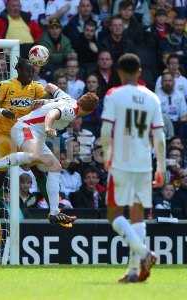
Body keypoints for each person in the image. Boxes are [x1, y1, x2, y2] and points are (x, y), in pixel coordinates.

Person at [0, 87, 99, 227]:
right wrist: (49, 127)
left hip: (37, 136)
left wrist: (44, 100)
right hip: (26, 127)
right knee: (33, 155)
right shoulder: (72, 111)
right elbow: (53, 114)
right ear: (90, 112)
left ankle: (54, 213)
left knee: (55, 167)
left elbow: (50, 86)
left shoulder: (68, 98)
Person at [100, 53, 166, 283]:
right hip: (144, 163)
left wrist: (107, 155)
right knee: (137, 217)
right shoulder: (152, 98)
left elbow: (106, 131)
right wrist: (162, 167)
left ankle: (145, 254)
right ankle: (134, 271)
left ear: (119, 72)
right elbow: (160, 138)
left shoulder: (113, 95)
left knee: (114, 215)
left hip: (121, 161)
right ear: (139, 72)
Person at [0, 58, 52, 248]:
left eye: (33, 72)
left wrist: (48, 101)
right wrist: (2, 111)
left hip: (24, 135)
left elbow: (49, 101)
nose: (31, 75)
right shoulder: (5, 85)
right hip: (4, 136)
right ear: (18, 70)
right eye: (28, 71)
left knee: (39, 170)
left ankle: (53, 211)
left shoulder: (36, 88)